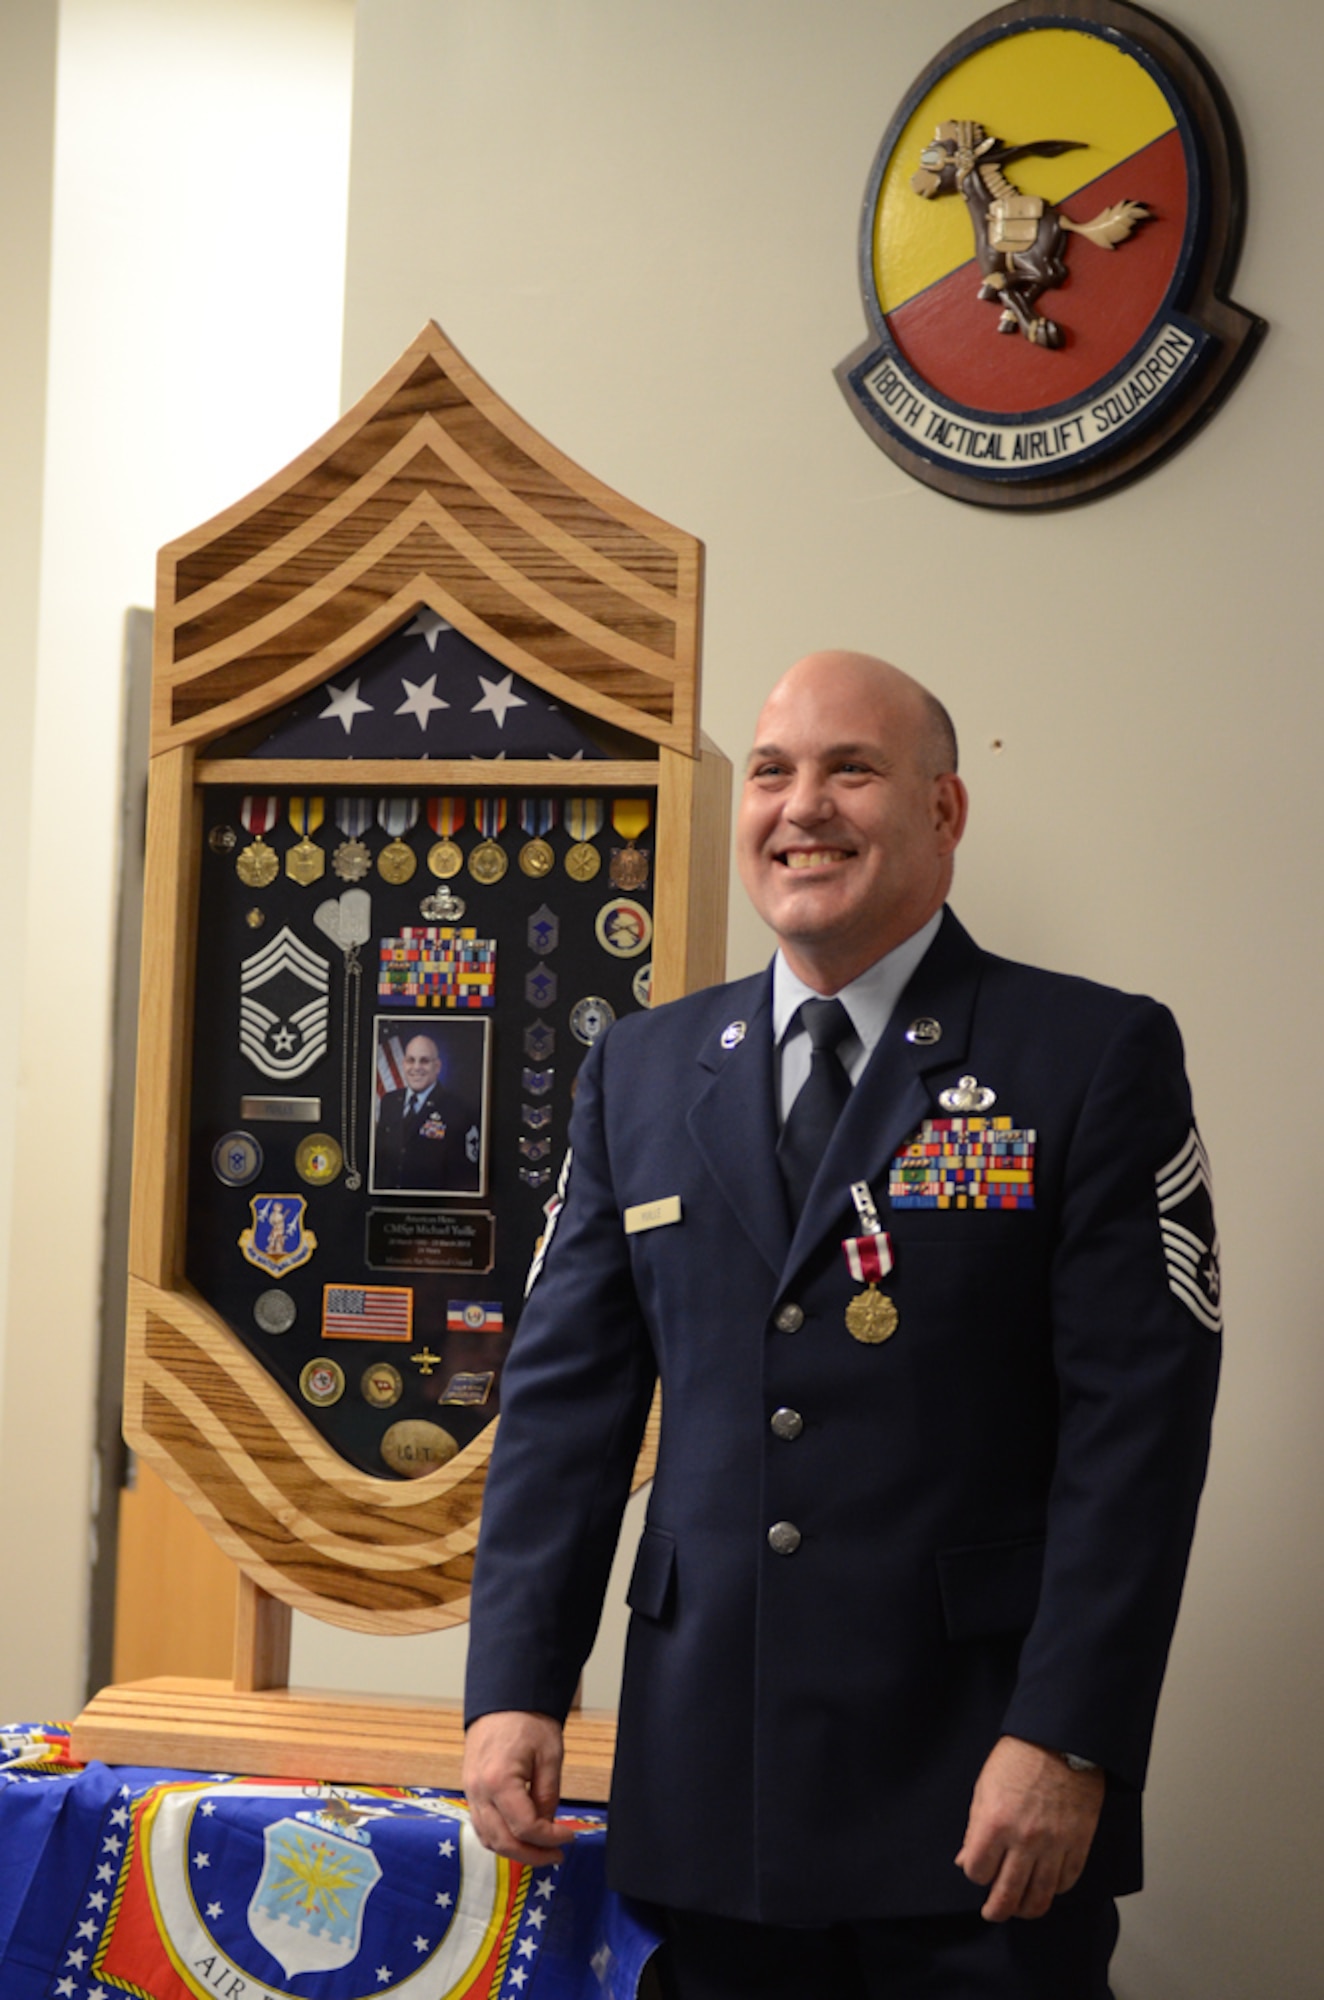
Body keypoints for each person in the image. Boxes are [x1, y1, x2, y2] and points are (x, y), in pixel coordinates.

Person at [462, 652, 1220, 1998]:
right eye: (772, 772)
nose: (801, 807)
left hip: (978, 1793)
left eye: (849, 770)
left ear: (944, 812)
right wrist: (516, 1682)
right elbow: (565, 1410)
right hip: (710, 1786)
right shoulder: (642, 1073)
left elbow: (1137, 1438)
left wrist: (1070, 1736)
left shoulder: (1086, 1057)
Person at [372, 1030, 480, 1193]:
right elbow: (380, 1159)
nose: (416, 1067)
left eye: (424, 1061)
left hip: (434, 1206)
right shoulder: (389, 1102)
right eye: (411, 1060)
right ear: (403, 1064)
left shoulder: (457, 1109)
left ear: (437, 1067)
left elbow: (462, 1176)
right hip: (389, 1202)